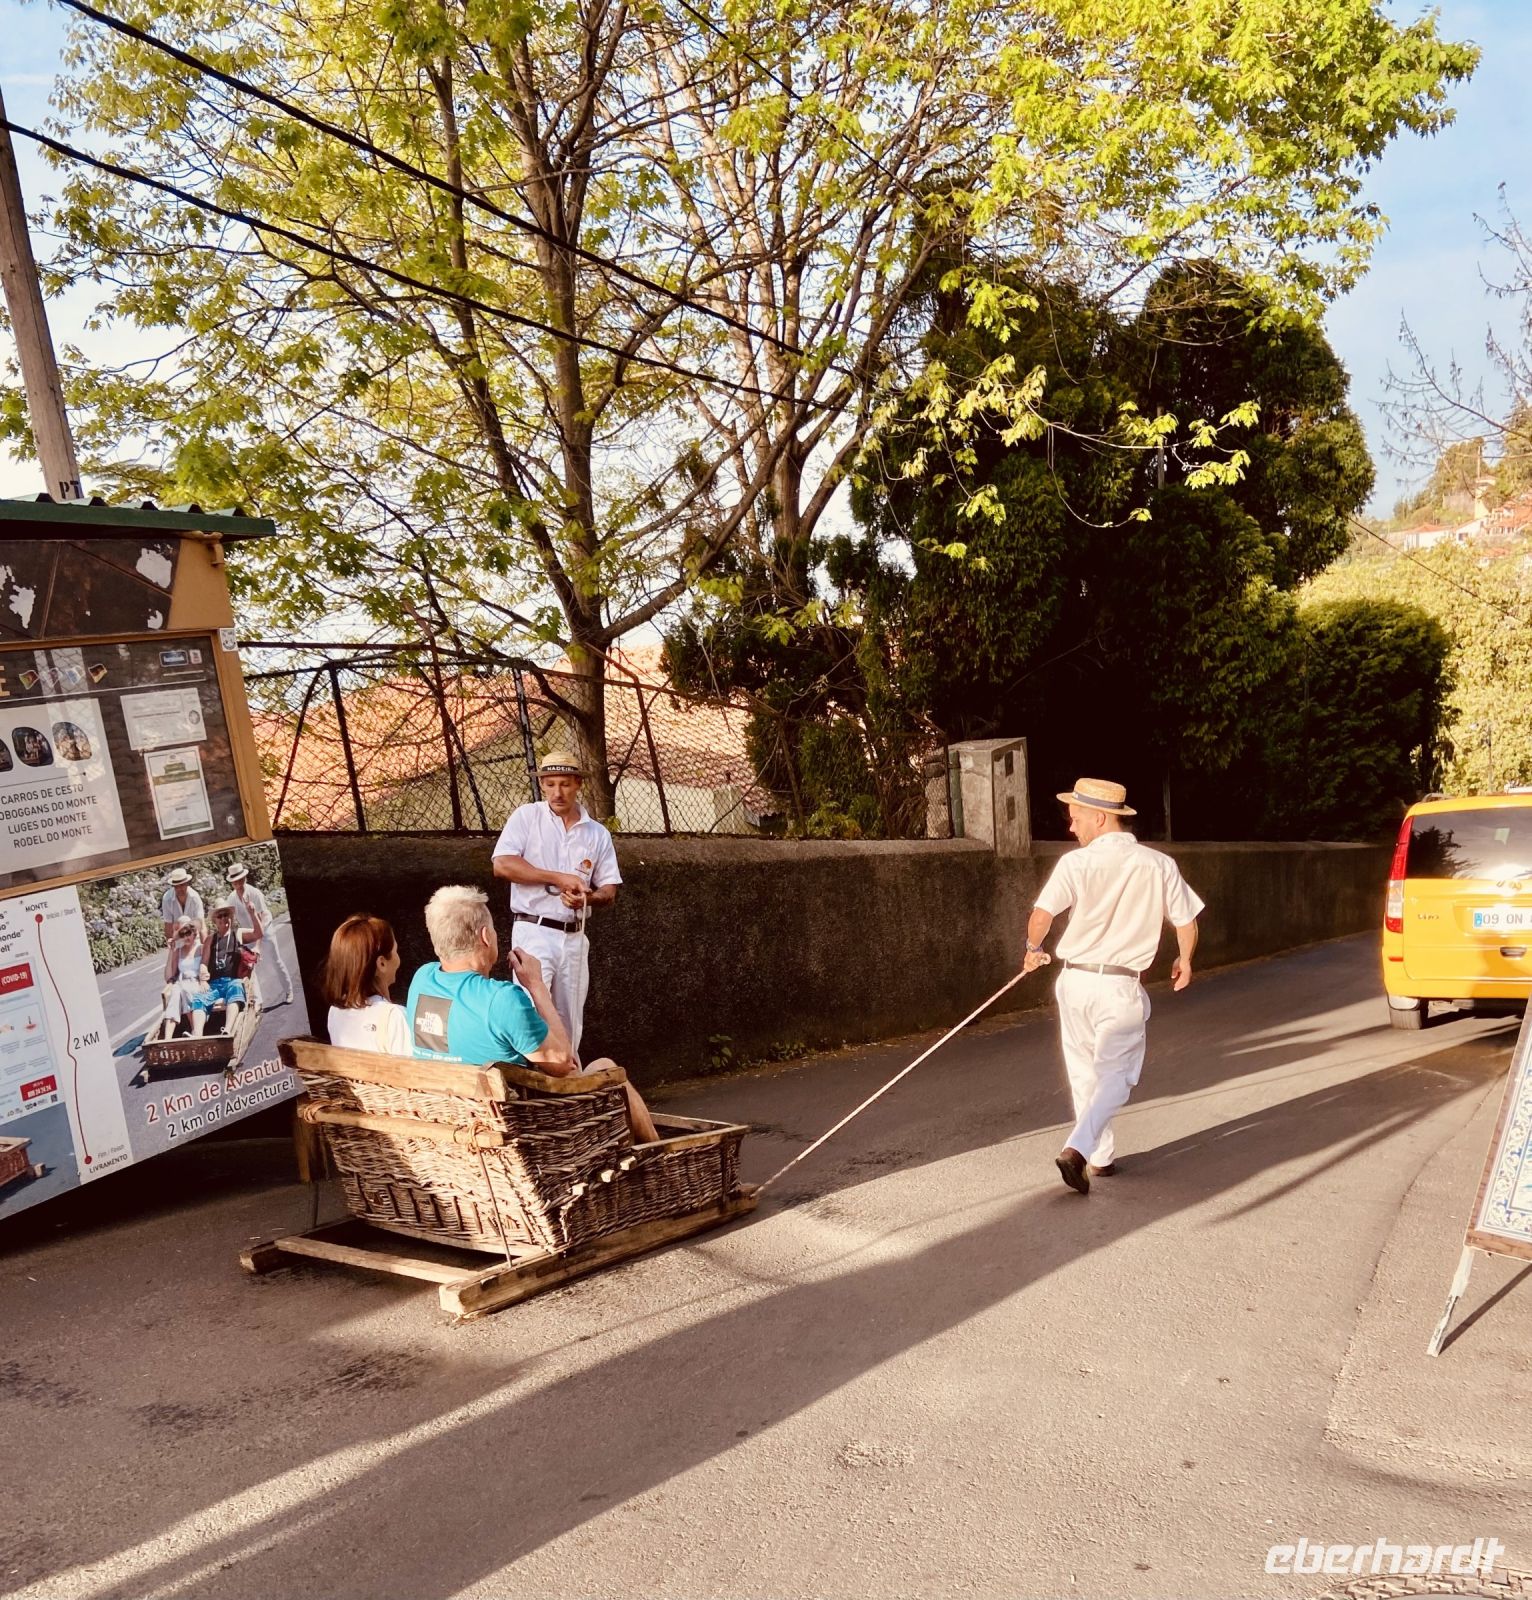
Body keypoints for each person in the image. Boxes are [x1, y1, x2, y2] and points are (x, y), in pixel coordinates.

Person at [1022, 777, 1205, 1195]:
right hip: (1120, 987)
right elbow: (1186, 921)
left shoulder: (1075, 864)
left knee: (1084, 1072)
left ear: (1100, 818)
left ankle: (1100, 1157)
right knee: (1116, 1076)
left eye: (1076, 818)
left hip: (1075, 980)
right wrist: (1185, 959)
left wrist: (1033, 949)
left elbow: (1041, 916)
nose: (1071, 827)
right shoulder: (1158, 865)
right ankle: (1079, 1149)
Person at [407, 884, 658, 1143]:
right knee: (605, 1068)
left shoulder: (422, 980)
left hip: (452, 1121)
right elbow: (563, 1062)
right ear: (485, 937)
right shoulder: (501, 999)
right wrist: (536, 985)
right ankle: (660, 1154)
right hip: (520, 1129)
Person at [491, 749, 621, 1062]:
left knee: (570, 1021)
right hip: (533, 930)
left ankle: (568, 1084)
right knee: (530, 1014)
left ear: (578, 784)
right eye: (550, 784)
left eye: (564, 784)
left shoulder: (597, 833)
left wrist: (587, 897)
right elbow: (502, 864)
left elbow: (609, 890)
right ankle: (530, 1081)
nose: (557, 792)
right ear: (542, 785)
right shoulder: (527, 816)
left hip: (574, 935)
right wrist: (557, 878)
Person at [321, 914, 410, 1056]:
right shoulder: (395, 1016)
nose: (398, 958)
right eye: (395, 951)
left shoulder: (335, 1012)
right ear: (382, 963)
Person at [225, 861, 296, 1006]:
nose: (238, 883)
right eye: (235, 881)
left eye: (240, 880)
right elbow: (231, 920)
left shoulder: (255, 893)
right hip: (249, 932)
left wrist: (257, 946)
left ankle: (289, 991)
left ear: (244, 878)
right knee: (249, 965)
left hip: (265, 929)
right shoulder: (231, 898)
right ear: (232, 883)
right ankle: (258, 1001)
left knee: (275, 961)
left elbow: (262, 919)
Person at [200, 899, 257, 1035]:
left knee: (236, 987)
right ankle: (196, 1033)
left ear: (230, 917)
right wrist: (202, 978)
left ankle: (227, 1029)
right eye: (219, 916)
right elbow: (203, 963)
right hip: (213, 983)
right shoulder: (210, 939)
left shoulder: (237, 934)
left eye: (226, 915)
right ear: (215, 920)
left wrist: (253, 914)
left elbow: (258, 934)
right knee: (198, 997)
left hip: (232, 981)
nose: (223, 918)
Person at [158, 917, 210, 1040]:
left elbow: (206, 967)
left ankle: (195, 1031)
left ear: (194, 933)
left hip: (196, 982)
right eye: (182, 934)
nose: (186, 937)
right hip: (181, 982)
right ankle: (168, 1038)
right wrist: (171, 950)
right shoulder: (179, 951)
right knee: (175, 994)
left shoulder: (201, 948)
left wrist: (204, 979)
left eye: (188, 933)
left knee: (184, 990)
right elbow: (169, 976)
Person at [160, 867, 206, 945]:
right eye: (176, 886)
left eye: (182, 885)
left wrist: (204, 947)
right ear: (173, 886)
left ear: (187, 883)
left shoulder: (195, 897)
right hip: (178, 939)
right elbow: (168, 926)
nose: (180, 889)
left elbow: (201, 925)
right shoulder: (167, 899)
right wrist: (171, 945)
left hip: (194, 939)